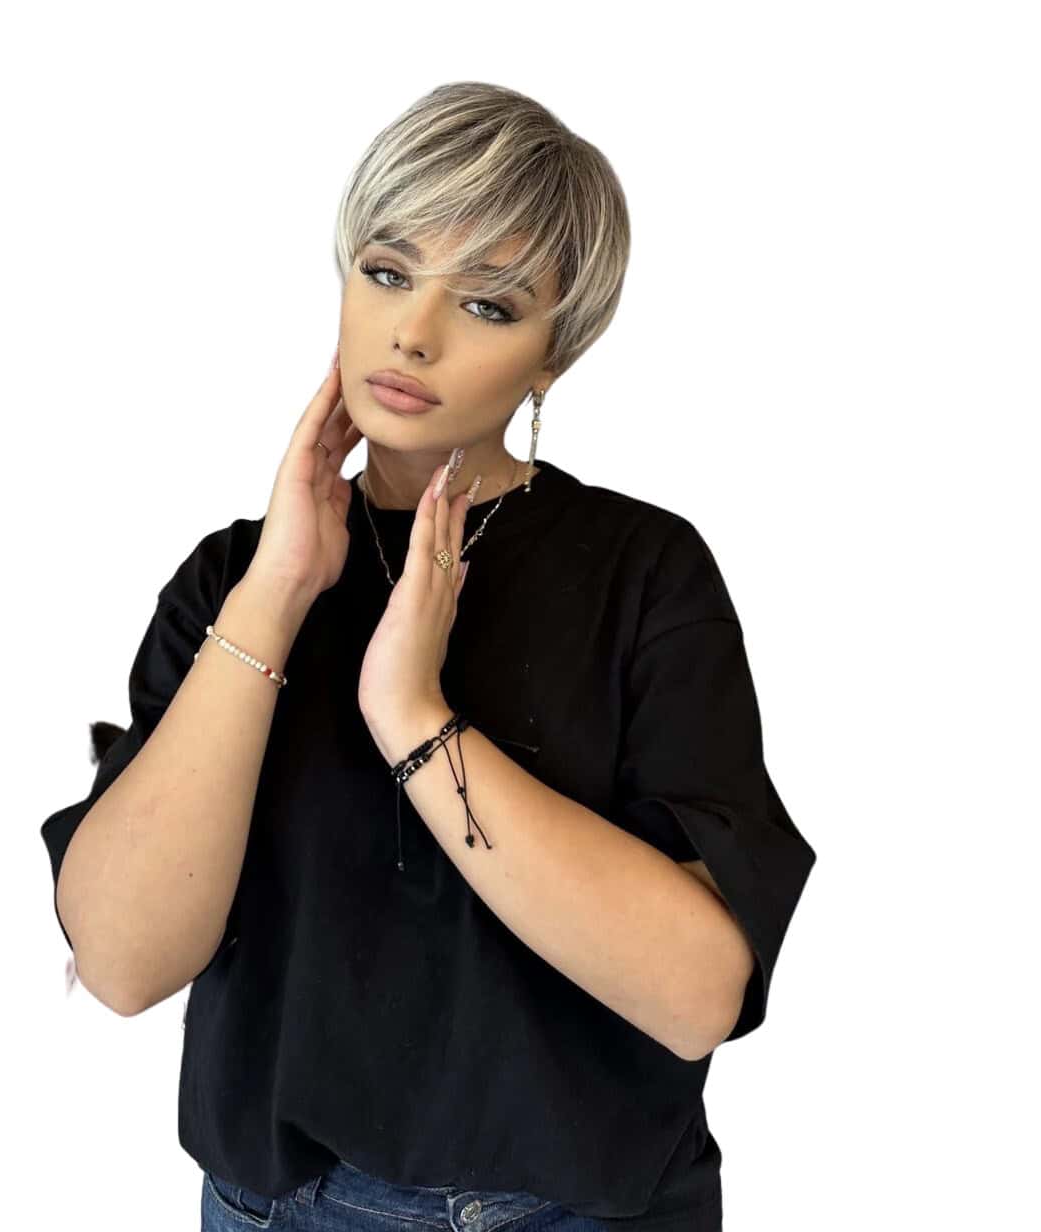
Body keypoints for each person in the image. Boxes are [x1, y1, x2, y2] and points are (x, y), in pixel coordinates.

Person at [40, 82, 817, 1232]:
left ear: (554, 356)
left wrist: (412, 712)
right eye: (389, 271)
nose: (414, 331)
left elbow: (697, 991)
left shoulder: (643, 574)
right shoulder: (235, 579)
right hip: (271, 1209)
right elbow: (122, 960)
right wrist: (276, 596)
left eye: (489, 304)